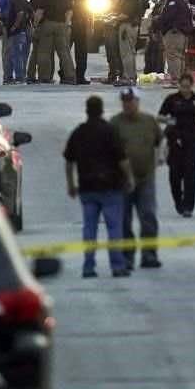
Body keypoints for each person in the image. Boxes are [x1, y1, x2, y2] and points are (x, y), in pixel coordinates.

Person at [64, 95, 136, 278]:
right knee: (114, 228)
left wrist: (71, 184)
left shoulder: (79, 132)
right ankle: (117, 266)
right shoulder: (109, 131)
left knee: (89, 228)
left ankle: (88, 266)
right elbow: (122, 159)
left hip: (88, 187)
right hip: (111, 186)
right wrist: (129, 178)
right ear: (102, 110)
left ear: (86, 110)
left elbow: (69, 161)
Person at [110, 86, 164, 270]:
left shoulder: (149, 121)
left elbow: (160, 141)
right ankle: (127, 256)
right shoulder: (115, 124)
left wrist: (162, 155)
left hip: (146, 178)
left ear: (137, 102)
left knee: (148, 216)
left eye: (131, 101)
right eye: (125, 101)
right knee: (124, 219)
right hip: (123, 180)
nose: (128, 105)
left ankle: (149, 254)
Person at [158, 73, 195, 217]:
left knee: (189, 172)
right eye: (182, 86)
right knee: (175, 175)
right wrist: (168, 121)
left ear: (191, 86)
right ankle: (178, 201)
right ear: (179, 85)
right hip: (175, 141)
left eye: (187, 87)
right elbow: (159, 117)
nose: (185, 89)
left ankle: (188, 206)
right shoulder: (172, 100)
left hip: (193, 140)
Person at [35, 0, 76, 84]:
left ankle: (44, 77)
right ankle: (70, 76)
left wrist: (35, 24)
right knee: (64, 52)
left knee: (44, 52)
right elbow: (70, 11)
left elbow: (40, 11)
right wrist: (66, 24)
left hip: (48, 24)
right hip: (61, 25)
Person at [157, 0, 192, 85]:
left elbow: (168, 16)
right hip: (183, 32)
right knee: (180, 57)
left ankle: (175, 80)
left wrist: (159, 20)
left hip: (175, 32)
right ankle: (181, 81)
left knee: (173, 55)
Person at [116, 0, 145, 86]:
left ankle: (127, 77)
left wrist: (112, 19)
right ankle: (132, 76)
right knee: (131, 53)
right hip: (132, 26)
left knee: (126, 53)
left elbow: (125, 14)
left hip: (127, 26)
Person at [4, 0, 33, 84]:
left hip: (16, 32)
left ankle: (19, 78)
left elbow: (20, 13)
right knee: (19, 55)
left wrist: (15, 25)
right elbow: (31, 12)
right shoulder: (23, 0)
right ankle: (12, 78)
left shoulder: (15, 0)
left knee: (14, 56)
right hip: (22, 32)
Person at [0, 0, 22, 84]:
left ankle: (15, 76)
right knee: (7, 51)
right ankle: (7, 77)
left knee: (16, 52)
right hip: (6, 25)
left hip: (18, 25)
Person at [68, 0, 91, 85]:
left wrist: (91, 26)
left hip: (82, 26)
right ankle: (66, 75)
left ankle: (80, 76)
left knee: (82, 53)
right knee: (66, 52)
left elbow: (90, 11)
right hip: (70, 25)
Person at [26, 0, 47, 84]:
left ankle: (30, 76)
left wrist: (32, 24)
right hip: (44, 27)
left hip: (35, 28)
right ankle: (42, 77)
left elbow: (28, 12)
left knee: (34, 53)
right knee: (44, 53)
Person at [103, 0, 123, 83]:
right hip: (107, 29)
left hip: (115, 29)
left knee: (116, 53)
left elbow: (121, 13)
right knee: (110, 54)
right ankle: (111, 75)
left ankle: (119, 76)